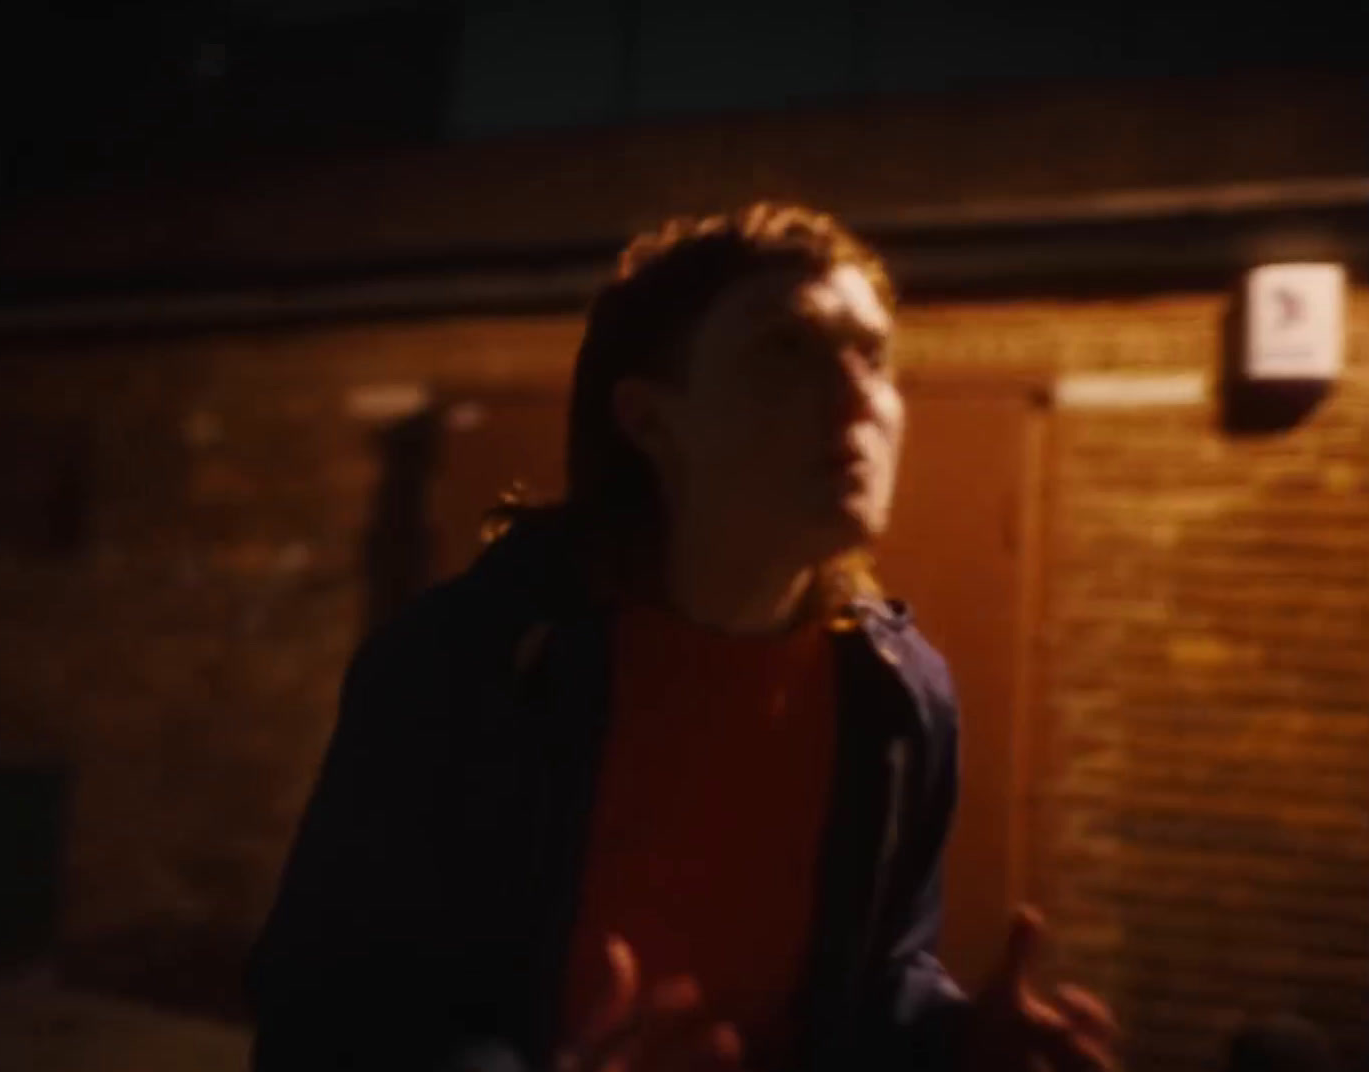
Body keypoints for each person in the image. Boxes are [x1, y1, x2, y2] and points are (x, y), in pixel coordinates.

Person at [246, 202, 1118, 1072]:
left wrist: (957, 1043)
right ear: (652, 423)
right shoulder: (470, 666)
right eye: (785, 352)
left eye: (874, 355)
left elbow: (876, 981)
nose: (858, 396)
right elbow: (323, 1016)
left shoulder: (897, 694)